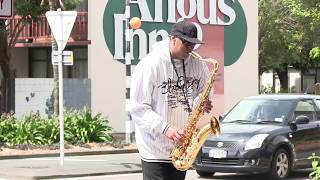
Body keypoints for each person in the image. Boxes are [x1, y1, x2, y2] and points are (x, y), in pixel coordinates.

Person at [130, 21, 215, 180]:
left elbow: (205, 90)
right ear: (173, 38)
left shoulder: (198, 64)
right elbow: (138, 108)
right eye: (186, 43)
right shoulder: (150, 64)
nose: (190, 49)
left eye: (193, 44)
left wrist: (203, 101)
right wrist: (166, 129)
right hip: (154, 148)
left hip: (181, 147)